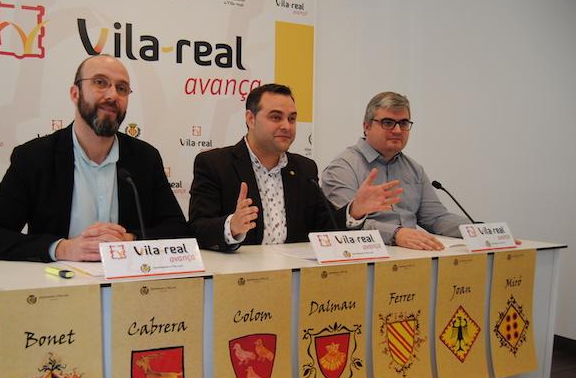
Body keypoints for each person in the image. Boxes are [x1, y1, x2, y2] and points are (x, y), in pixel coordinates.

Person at [0, 55, 188, 262]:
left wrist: (129, 240)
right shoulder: (34, 157)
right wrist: (62, 249)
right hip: (59, 286)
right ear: (75, 94)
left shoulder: (145, 158)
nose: (112, 95)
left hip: (129, 284)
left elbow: (179, 230)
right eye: (100, 83)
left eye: (121, 88)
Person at [188, 83, 402, 252]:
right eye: (275, 117)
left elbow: (324, 227)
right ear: (250, 119)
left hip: (294, 277)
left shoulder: (303, 168)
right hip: (238, 280)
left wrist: (354, 210)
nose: (286, 126)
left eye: (292, 119)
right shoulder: (215, 164)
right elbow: (197, 229)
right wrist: (232, 227)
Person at [321, 91, 470, 251]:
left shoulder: (414, 169)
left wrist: (477, 229)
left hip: (413, 255)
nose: (398, 130)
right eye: (388, 122)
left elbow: (436, 218)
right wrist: (395, 234)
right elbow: (343, 222)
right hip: (367, 255)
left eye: (404, 123)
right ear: (366, 126)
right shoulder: (343, 167)